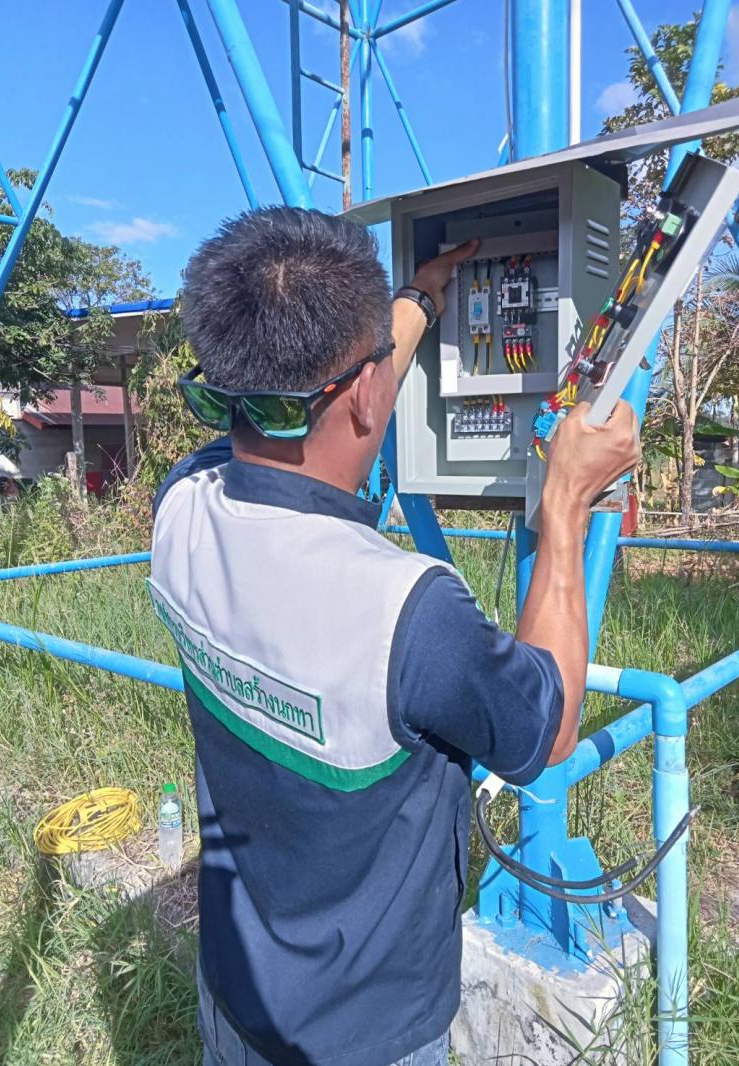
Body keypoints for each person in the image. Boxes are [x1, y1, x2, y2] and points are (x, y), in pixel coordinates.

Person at [149, 207, 639, 1066]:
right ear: (369, 392)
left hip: (232, 998)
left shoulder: (181, 507)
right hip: (368, 1035)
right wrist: (565, 503)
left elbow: (314, 406)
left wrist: (417, 300)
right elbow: (550, 726)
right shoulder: (406, 610)